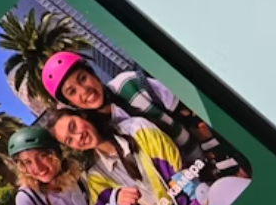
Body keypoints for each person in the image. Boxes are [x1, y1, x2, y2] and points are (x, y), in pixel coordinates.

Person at [41, 50, 248, 182]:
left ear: (93, 73)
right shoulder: (97, 132)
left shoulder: (130, 84)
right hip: (185, 185)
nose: (83, 90)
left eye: (82, 78)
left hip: (211, 158)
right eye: (72, 92)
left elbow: (194, 117)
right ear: (71, 103)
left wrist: (228, 161)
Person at [41, 106, 214, 205]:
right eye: (69, 140)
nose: (78, 137)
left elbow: (185, 178)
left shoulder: (138, 129)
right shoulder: (95, 176)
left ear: (82, 115)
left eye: (73, 126)